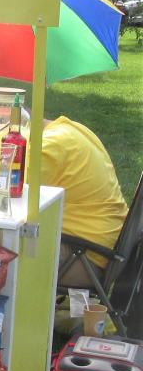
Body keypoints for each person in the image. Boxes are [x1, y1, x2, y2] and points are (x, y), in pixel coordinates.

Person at [41, 116, 128, 288]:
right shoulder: (72, 130)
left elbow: (11, 198)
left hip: (84, 259)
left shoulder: (49, 145)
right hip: (106, 254)